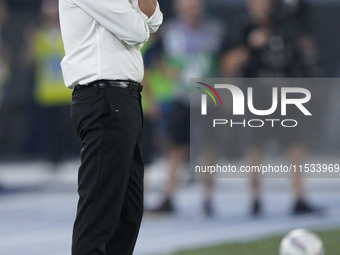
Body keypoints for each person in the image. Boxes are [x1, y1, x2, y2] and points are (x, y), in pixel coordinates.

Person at [59, 0, 163, 254]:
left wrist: (140, 19)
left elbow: (155, 20)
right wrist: (140, 19)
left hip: (124, 98)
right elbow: (138, 31)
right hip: (103, 97)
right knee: (99, 211)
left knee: (128, 211)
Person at [221, 0, 321, 216]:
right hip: (257, 96)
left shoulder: (286, 24)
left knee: (296, 144)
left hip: (286, 94)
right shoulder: (243, 27)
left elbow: (302, 56)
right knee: (256, 146)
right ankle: (255, 199)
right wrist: (250, 46)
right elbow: (228, 63)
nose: (262, 6)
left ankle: (299, 197)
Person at [150, 0, 225, 216]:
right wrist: (171, 75)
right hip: (182, 97)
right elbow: (154, 57)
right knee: (176, 147)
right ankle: (169, 196)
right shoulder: (171, 31)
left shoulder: (214, 31)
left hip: (209, 98)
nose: (192, 9)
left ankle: (208, 198)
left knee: (209, 149)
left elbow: (227, 58)